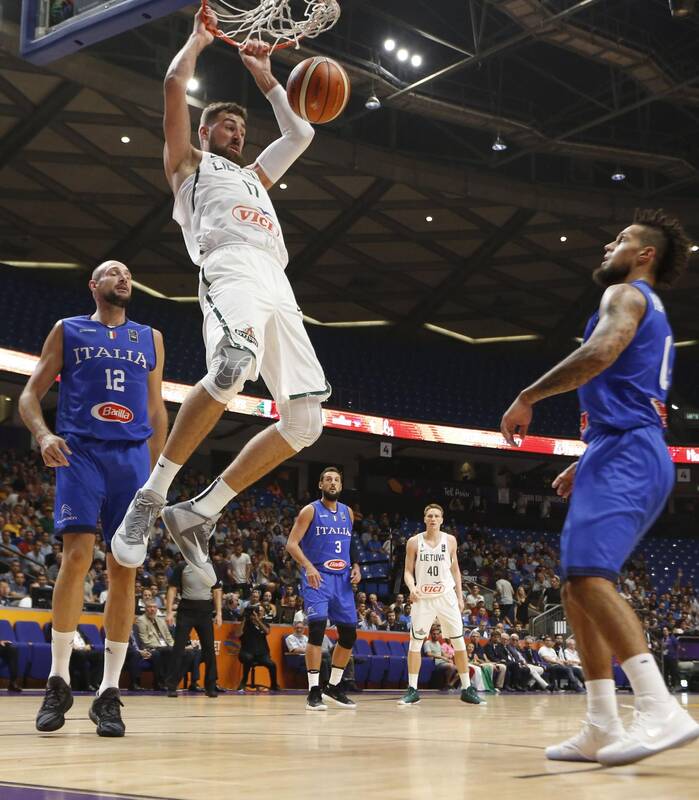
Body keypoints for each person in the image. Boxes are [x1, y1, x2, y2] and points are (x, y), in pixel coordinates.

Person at [113, 6, 329, 589]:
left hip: (277, 281)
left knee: (307, 422)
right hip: (229, 265)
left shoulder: (256, 175)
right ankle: (152, 496)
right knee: (232, 367)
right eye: (227, 125)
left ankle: (199, 512)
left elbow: (302, 133)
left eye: (241, 126)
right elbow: (173, 83)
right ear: (206, 132)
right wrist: (197, 40)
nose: (238, 132)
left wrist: (265, 76)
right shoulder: (188, 163)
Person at [501, 208, 699, 765]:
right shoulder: (641, 304)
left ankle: (659, 706)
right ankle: (601, 723)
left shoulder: (626, 295)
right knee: (574, 587)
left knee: (589, 577)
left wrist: (528, 396)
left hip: (631, 449)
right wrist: (586, 459)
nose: (609, 246)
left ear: (645, 255)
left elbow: (600, 353)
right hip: (614, 447)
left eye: (621, 239)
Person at [19, 260, 167, 737]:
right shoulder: (68, 329)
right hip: (80, 453)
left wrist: (159, 477)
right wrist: (43, 435)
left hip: (132, 461)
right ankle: (58, 680)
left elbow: (156, 410)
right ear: (94, 285)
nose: (123, 277)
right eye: (112, 272)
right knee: (77, 556)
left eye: (128, 273)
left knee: (124, 568)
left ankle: (108, 692)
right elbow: (29, 396)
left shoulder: (150, 338)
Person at [285, 467, 360, 710]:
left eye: (337, 480)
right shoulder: (310, 510)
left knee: (349, 635)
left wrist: (356, 565)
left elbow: (350, 543)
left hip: (343, 579)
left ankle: (333, 687)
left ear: (341, 485)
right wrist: (308, 566)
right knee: (317, 630)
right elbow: (291, 544)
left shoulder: (348, 512)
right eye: (328, 479)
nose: (333, 483)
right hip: (317, 576)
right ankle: (314, 691)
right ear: (320, 485)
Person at [399, 503, 481, 706]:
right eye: (429, 516)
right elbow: (408, 571)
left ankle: (467, 689)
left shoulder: (450, 540)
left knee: (459, 642)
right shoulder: (414, 542)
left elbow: (456, 570)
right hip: (423, 597)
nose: (433, 518)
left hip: (446, 596)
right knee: (415, 643)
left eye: (436, 516)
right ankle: (412, 690)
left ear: (442, 520)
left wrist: (460, 597)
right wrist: (412, 587)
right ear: (424, 519)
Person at [165, 559, 222, 697]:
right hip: (186, 610)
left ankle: (211, 686)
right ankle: (172, 685)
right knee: (178, 648)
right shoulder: (182, 566)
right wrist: (169, 612)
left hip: (205, 611)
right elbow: (172, 588)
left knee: (209, 649)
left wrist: (219, 613)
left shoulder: (211, 567)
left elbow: (217, 590)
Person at [237, 604, 279, 691]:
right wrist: (244, 619)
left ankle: (274, 685)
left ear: (263, 614)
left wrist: (257, 620)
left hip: (261, 654)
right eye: (257, 611)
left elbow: (267, 631)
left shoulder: (264, 624)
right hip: (246, 652)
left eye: (260, 611)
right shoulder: (246, 624)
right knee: (248, 658)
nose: (258, 613)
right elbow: (238, 634)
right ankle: (243, 682)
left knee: (272, 664)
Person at [136, 601, 175, 689]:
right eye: (150, 607)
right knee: (167, 651)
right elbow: (145, 641)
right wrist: (164, 647)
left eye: (154, 607)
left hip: (165, 648)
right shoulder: (141, 620)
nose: (152, 609)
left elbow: (169, 638)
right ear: (145, 609)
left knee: (179, 652)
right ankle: (161, 682)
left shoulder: (161, 621)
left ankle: (170, 681)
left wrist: (174, 647)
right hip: (151, 648)